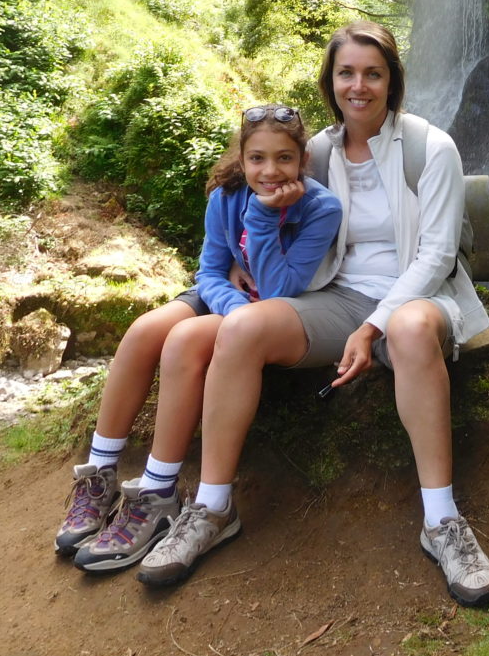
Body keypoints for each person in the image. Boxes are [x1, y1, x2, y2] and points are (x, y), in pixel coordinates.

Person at [134, 21, 489, 605]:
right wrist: (235, 261)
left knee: (407, 329)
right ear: (330, 83)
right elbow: (260, 194)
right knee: (242, 325)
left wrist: (373, 323)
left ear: (392, 80)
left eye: (372, 73)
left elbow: (436, 253)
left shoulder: (433, 147)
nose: (359, 85)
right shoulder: (319, 152)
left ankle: (442, 521)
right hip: (333, 298)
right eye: (346, 73)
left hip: (418, 298)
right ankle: (211, 507)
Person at [54, 105, 342, 574]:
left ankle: (158, 490)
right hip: (226, 294)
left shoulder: (320, 208)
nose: (270, 171)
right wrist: (231, 303)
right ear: (242, 158)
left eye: (284, 159)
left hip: (262, 302)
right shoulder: (226, 197)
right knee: (144, 329)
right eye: (258, 159)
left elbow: (279, 291)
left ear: (303, 159)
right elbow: (208, 270)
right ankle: (98, 477)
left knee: (184, 339)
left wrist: (266, 221)